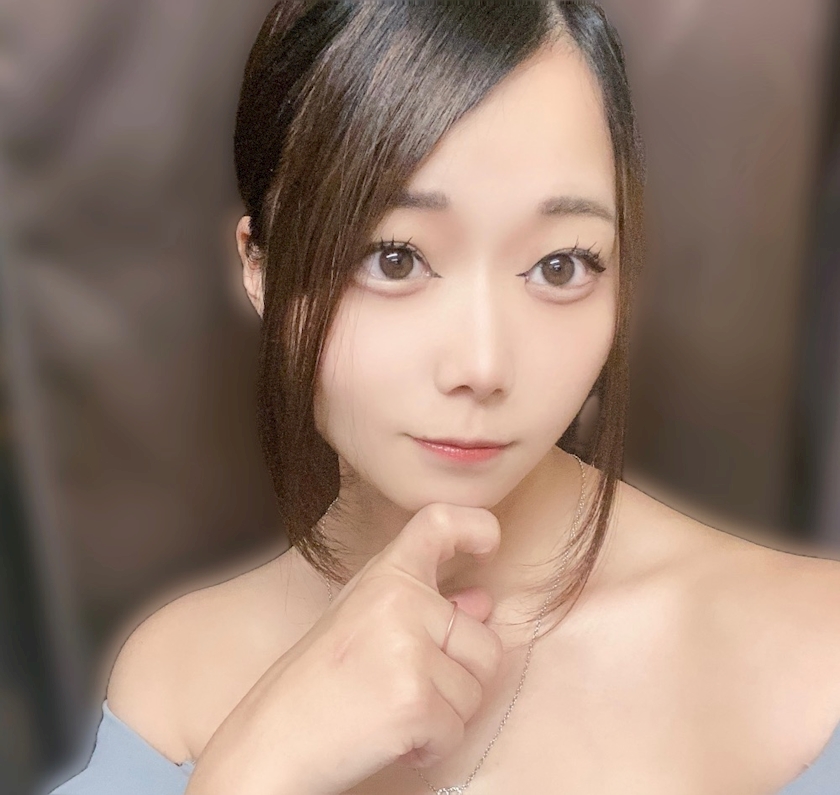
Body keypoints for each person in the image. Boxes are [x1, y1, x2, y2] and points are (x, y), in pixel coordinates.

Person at [49, 1, 840, 793]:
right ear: (260, 266)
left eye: (560, 265)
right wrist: (256, 766)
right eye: (394, 258)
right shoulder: (176, 684)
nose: (482, 364)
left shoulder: (812, 655)